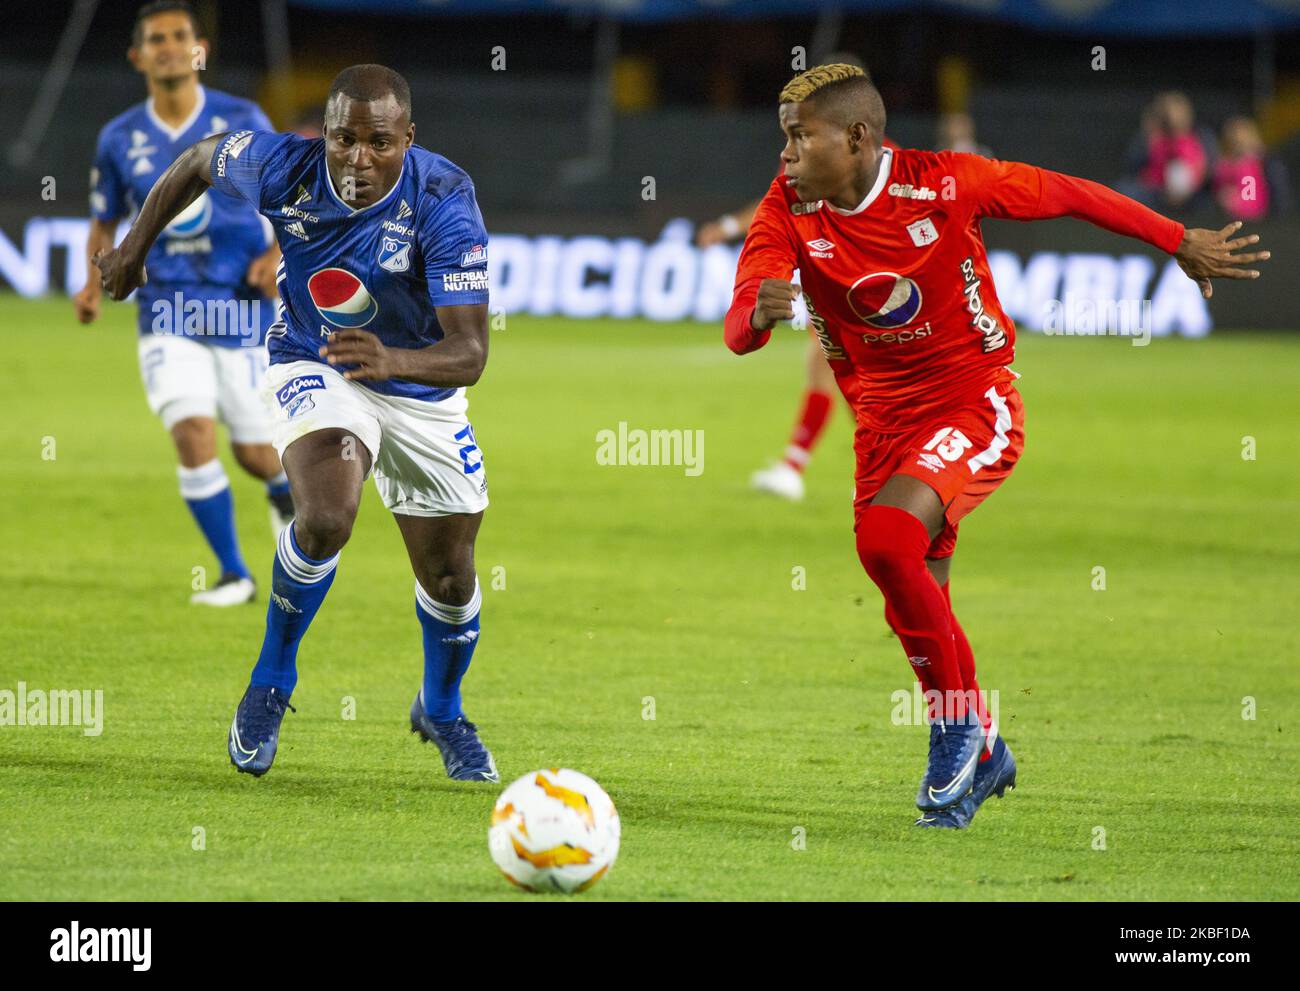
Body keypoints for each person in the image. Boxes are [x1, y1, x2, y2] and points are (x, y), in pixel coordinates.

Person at [724, 64, 1268, 828]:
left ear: (856, 138)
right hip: (882, 425)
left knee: (884, 542)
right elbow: (739, 323)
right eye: (783, 137)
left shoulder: (949, 184)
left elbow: (1069, 193)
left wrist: (1176, 238)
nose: (783, 155)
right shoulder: (788, 208)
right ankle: (981, 754)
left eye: (798, 136)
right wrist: (757, 313)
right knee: (917, 596)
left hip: (973, 400)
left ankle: (956, 731)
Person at [93, 64, 499, 783]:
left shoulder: (443, 195)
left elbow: (469, 353)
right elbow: (194, 159)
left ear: (409, 137)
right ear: (326, 133)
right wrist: (134, 246)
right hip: (317, 362)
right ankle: (271, 678)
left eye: (379, 142)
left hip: (420, 384)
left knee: (451, 573)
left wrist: (392, 356)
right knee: (326, 515)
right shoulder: (283, 165)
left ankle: (441, 706)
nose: (358, 159)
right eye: (344, 139)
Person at [75, 0, 292, 607]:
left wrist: (276, 257)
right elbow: (104, 220)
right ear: (137, 55)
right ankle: (234, 574)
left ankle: (282, 494)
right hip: (167, 307)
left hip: (243, 307)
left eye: (179, 36)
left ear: (199, 49)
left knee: (255, 452)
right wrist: (93, 283)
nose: (168, 47)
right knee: (191, 429)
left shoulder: (241, 116)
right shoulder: (119, 138)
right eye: (156, 39)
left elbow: (288, 197)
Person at [698, 53, 895, 502]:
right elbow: (780, 200)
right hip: (838, 286)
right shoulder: (813, 149)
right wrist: (730, 228)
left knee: (861, 382)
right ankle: (819, 466)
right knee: (837, 374)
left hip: (878, 294)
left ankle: (870, 466)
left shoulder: (889, 161)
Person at [1213, 116, 1292, 221]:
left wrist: (1234, 202)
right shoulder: (1222, 165)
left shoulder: (1249, 166)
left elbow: (1252, 204)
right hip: (1224, 218)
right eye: (1233, 144)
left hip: (1248, 221)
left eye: (1241, 144)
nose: (1238, 150)